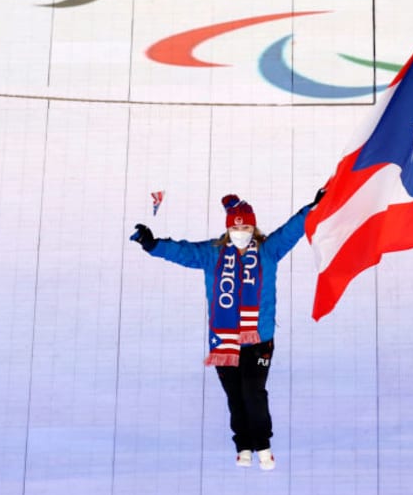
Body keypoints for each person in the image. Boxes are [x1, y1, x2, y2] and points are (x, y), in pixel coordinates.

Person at [130, 190, 322, 471]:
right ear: (228, 228)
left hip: (259, 341)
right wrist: (153, 244)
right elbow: (182, 252)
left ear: (253, 227)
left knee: (253, 392)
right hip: (225, 342)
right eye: (235, 227)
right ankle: (244, 445)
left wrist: (313, 208)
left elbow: (292, 230)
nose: (240, 232)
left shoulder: (269, 251)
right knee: (235, 394)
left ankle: (264, 445)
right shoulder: (213, 255)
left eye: (245, 227)